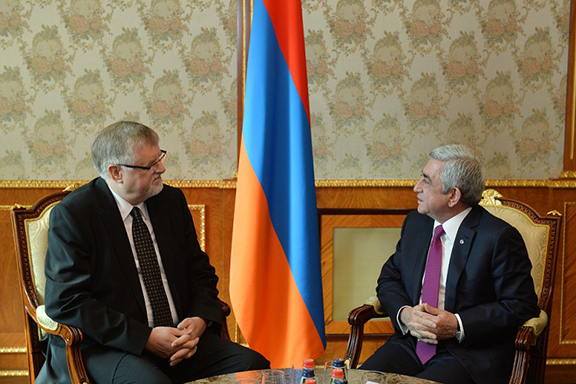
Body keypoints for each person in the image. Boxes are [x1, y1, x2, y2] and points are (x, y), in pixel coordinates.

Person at [38, 121, 270, 384]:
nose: (162, 168)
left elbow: (200, 272)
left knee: (254, 367)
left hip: (179, 340)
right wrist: (144, 338)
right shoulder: (75, 214)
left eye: (159, 157)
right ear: (116, 172)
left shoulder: (170, 201)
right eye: (150, 165)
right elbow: (67, 300)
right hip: (109, 346)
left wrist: (200, 320)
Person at [360, 144, 539, 384]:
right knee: (359, 380)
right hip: (411, 343)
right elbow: (389, 278)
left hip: (468, 353)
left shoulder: (498, 237)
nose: (416, 187)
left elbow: (520, 305)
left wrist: (457, 324)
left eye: (426, 181)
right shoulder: (417, 224)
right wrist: (406, 314)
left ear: (453, 195)